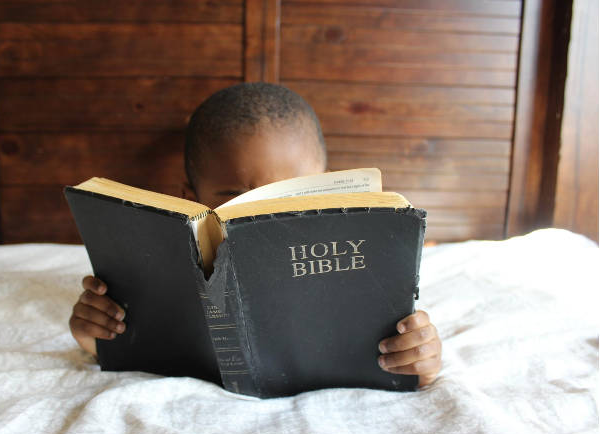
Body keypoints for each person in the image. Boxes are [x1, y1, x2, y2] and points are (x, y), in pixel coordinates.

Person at [69, 83, 442, 388]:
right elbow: (136, 343)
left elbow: (407, 354)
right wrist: (99, 337)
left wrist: (418, 360)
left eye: (293, 194)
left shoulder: (361, 264)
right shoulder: (161, 269)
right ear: (189, 199)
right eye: (237, 199)